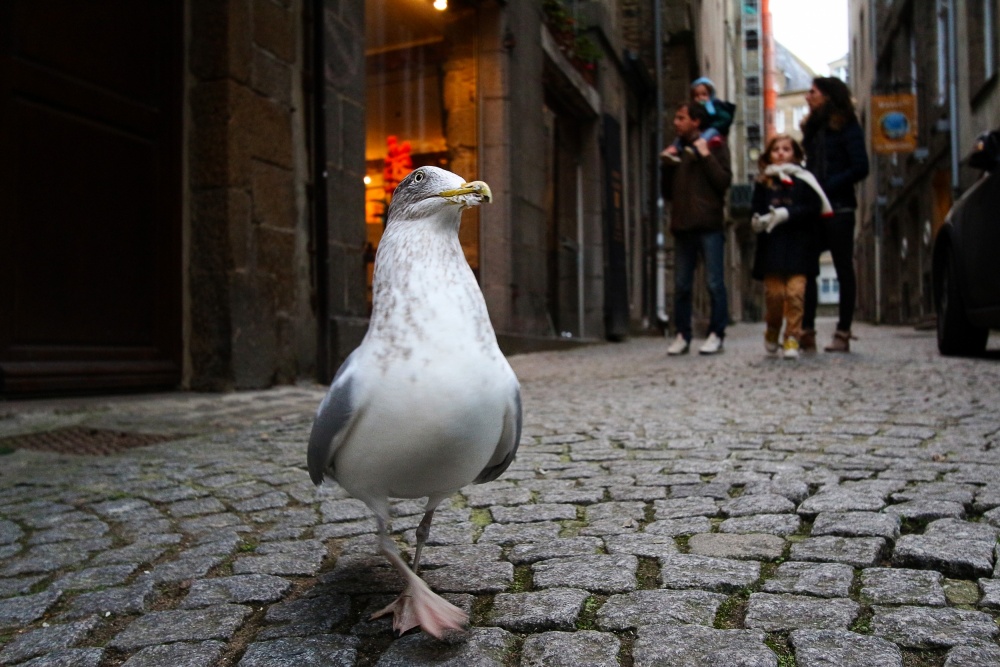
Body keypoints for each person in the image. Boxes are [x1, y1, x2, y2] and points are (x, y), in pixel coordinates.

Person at [799, 76, 870, 353]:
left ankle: (842, 332)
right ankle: (808, 330)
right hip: (814, 209)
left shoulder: (846, 125)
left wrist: (827, 185)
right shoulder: (813, 128)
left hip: (839, 207)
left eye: (812, 92)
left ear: (827, 96)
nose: (808, 97)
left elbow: (860, 167)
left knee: (842, 268)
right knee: (807, 267)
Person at [751, 134, 832, 360]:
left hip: (799, 247)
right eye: (776, 149)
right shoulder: (763, 182)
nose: (780, 153)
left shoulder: (805, 180)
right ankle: (773, 328)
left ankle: (792, 336)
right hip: (772, 249)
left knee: (796, 294)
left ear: (795, 155)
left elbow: (814, 207)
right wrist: (758, 220)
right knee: (775, 295)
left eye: (786, 149)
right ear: (769, 155)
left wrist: (788, 214)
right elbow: (755, 208)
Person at [661, 101, 733, 355]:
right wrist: (667, 167)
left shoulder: (716, 144)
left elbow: (724, 181)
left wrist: (705, 156)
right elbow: (666, 192)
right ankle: (682, 334)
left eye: (681, 118)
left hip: (709, 224)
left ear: (696, 121)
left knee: (714, 282)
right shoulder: (677, 149)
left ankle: (716, 333)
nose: (676, 123)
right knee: (682, 285)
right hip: (683, 226)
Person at [662, 77, 736, 162]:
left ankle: (697, 147)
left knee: (709, 132)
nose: (700, 98)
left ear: (710, 95)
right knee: (681, 136)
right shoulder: (694, 109)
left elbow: (725, 118)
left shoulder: (714, 106)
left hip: (713, 129)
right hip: (701, 130)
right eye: (697, 95)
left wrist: (714, 125)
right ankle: (674, 148)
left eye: (704, 94)